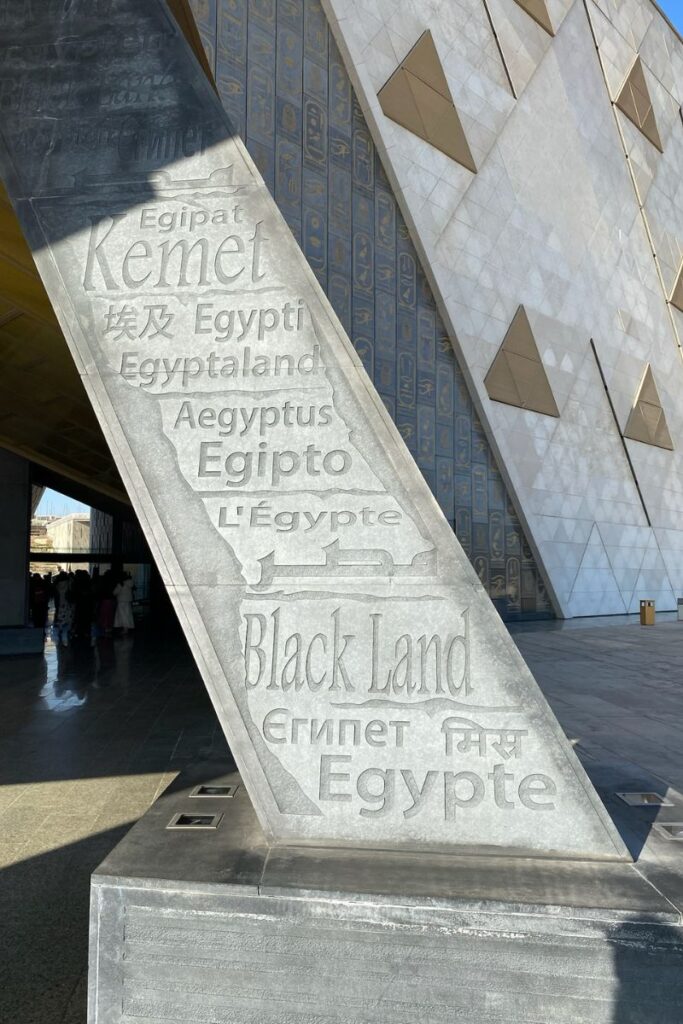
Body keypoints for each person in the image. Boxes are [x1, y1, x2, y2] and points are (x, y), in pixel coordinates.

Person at [53, 572, 73, 647]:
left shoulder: (57, 585)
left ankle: (60, 627)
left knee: (61, 615)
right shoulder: (68, 583)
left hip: (60, 602)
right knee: (68, 614)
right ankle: (68, 629)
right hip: (67, 602)